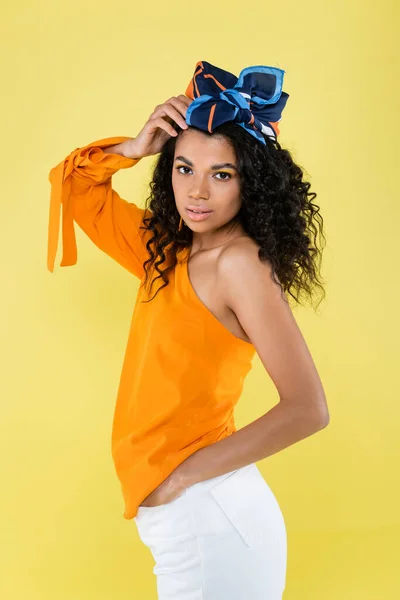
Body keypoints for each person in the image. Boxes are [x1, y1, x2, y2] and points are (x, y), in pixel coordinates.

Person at [47, 60, 330, 599]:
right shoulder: (165, 251)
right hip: (189, 518)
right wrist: (133, 147)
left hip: (211, 516)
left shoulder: (239, 264)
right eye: (183, 168)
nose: (197, 192)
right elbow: (74, 187)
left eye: (221, 174)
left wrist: (183, 477)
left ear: (253, 182)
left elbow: (307, 408)